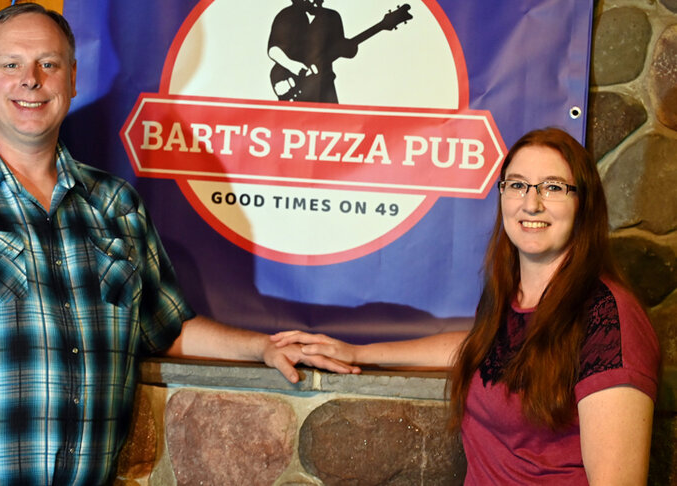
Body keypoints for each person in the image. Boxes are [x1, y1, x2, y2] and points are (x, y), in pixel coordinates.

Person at [0, 4, 357, 485]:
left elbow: (164, 327)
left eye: (49, 64)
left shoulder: (115, 205)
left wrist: (261, 346)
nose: (30, 80)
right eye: (11, 64)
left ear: (73, 78)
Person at [273, 127, 660, 484]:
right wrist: (357, 351)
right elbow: (479, 346)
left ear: (584, 202)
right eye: (518, 185)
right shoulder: (513, 295)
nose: (532, 203)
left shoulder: (608, 318)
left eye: (553, 187)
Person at [267, 0, 358, 102]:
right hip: (293, 84)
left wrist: (349, 49)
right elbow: (273, 50)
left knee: (329, 117)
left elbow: (341, 50)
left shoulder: (333, 16)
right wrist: (296, 67)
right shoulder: (286, 15)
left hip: (325, 85)